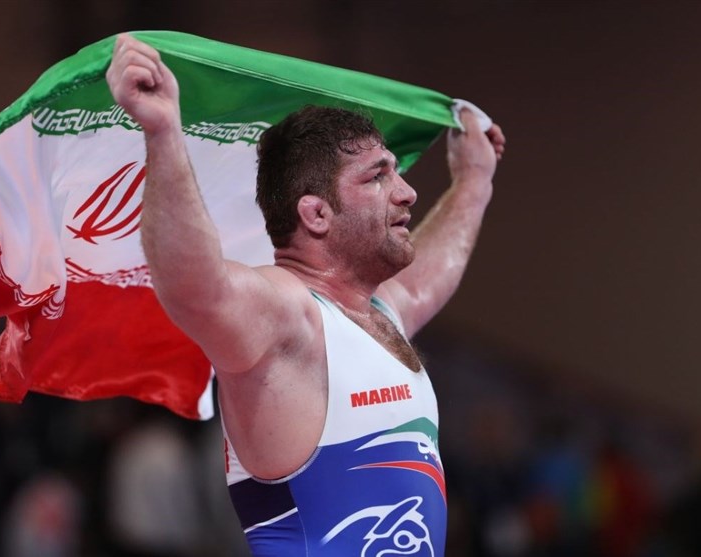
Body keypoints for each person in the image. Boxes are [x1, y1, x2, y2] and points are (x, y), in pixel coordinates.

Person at [106, 33, 505, 557]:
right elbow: (195, 288)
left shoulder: (377, 314)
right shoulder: (288, 316)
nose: (408, 192)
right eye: (378, 177)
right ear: (316, 214)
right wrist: (163, 132)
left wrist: (474, 182)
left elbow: (426, 279)